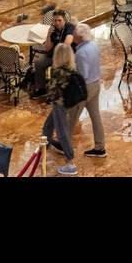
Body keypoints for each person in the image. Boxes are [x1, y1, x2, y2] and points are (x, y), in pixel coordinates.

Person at [44, 42, 89, 176]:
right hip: (70, 104)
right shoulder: (72, 70)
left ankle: (70, 163)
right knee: (48, 125)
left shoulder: (57, 72)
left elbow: (51, 92)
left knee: (61, 133)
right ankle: (44, 144)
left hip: (60, 105)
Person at [72, 23, 107, 159]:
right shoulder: (93, 45)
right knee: (95, 116)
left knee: (72, 118)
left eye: (75, 33)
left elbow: (83, 75)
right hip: (96, 84)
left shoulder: (80, 53)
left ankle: (65, 145)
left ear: (80, 37)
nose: (73, 35)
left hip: (85, 88)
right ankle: (100, 147)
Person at [30, 10, 75, 98]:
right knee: (39, 62)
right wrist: (48, 35)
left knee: (56, 67)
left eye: (59, 20)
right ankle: (41, 88)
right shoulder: (53, 29)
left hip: (66, 57)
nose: (57, 23)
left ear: (64, 20)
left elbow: (67, 45)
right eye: (55, 20)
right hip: (54, 56)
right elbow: (47, 48)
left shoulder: (70, 27)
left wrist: (56, 58)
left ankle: (57, 92)